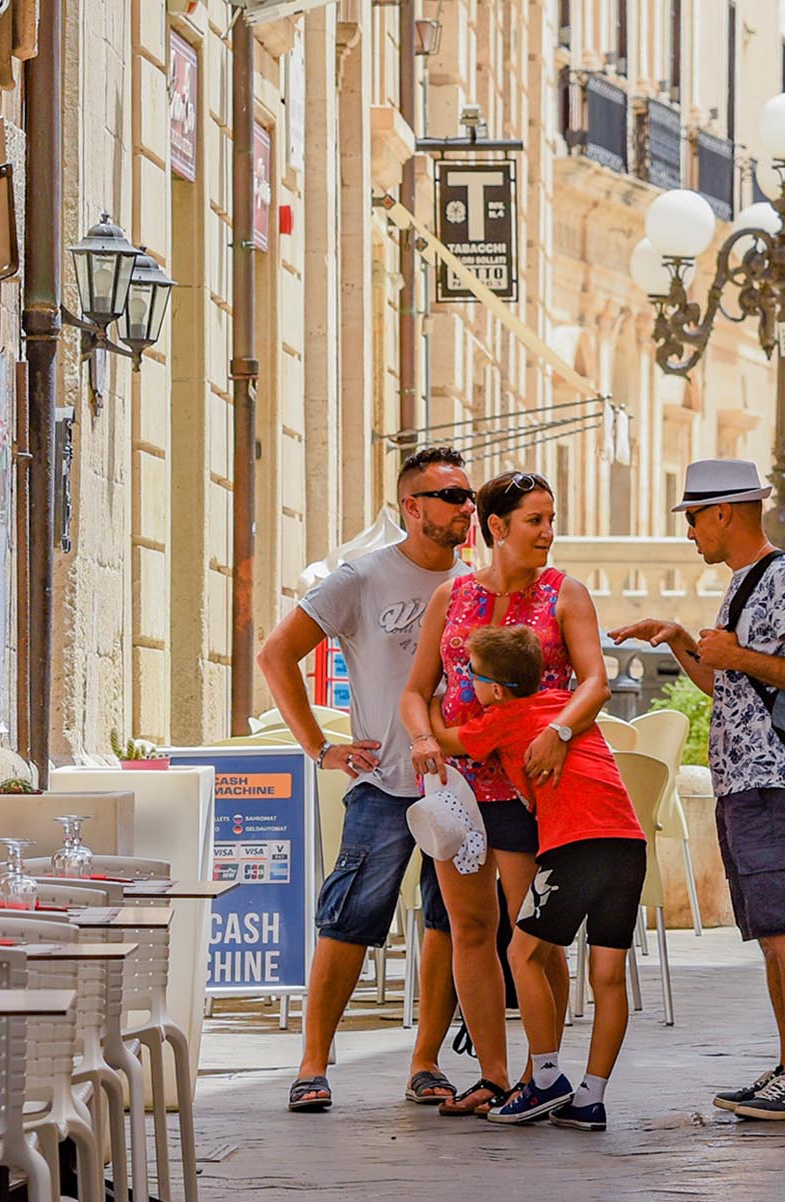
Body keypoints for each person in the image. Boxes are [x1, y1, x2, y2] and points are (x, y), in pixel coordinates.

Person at [614, 459, 785, 1122]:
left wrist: (734, 653)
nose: (689, 532)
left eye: (692, 517)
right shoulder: (746, 584)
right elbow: (730, 688)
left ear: (723, 512)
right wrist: (689, 643)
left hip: (773, 780)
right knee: (772, 930)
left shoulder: (783, 576)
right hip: (744, 782)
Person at [254, 444, 473, 1114]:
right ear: (412, 506)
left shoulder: (475, 585)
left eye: (469, 495)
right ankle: (312, 1064)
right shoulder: (363, 576)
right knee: (348, 921)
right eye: (451, 496)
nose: (467, 507)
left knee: (448, 924)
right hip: (383, 784)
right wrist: (320, 746)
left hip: (459, 789)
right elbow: (276, 653)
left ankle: (427, 1063)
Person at [396, 470, 564, 1118]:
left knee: (535, 934)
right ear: (496, 527)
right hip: (455, 790)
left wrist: (560, 729)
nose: (548, 533)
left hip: (528, 789)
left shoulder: (561, 594)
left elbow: (590, 682)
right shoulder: (452, 596)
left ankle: (540, 1074)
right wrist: (423, 738)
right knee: (469, 927)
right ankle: (494, 1075)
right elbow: (416, 689)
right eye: (535, 520)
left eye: (550, 519)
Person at [441, 603, 645, 1132]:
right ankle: (590, 1098)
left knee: (523, 953)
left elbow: (448, 742)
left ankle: (546, 1076)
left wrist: (417, 726)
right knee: (607, 977)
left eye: (472, 675)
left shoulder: (500, 719)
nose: (469, 682)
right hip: (627, 844)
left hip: (575, 844)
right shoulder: (563, 706)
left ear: (496, 689)